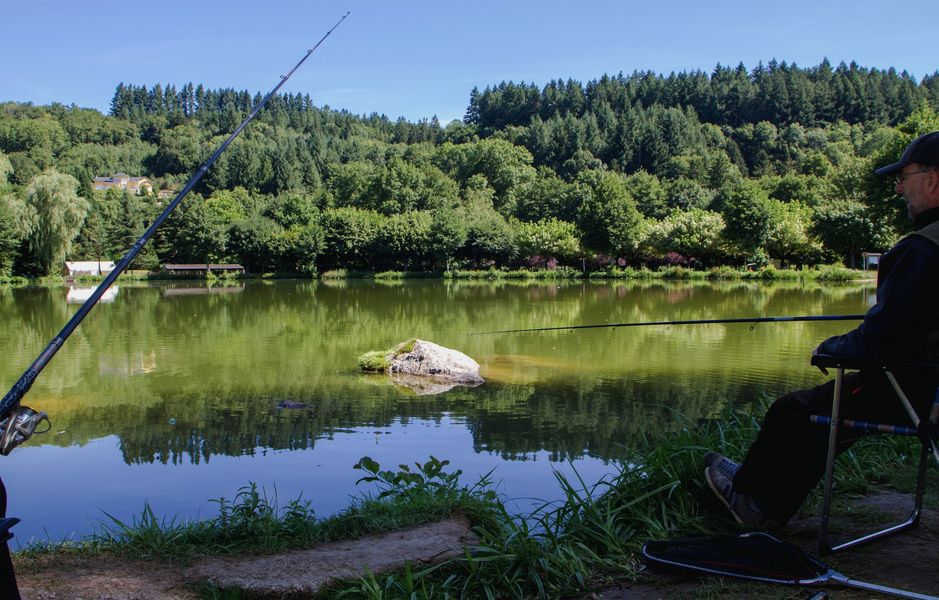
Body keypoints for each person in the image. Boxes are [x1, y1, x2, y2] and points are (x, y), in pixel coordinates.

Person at [705, 131, 939, 525]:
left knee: (795, 411)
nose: (898, 187)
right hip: (929, 385)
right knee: (823, 406)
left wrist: (831, 349)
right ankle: (750, 484)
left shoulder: (921, 251)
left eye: (905, 176)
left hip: (916, 392)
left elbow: (878, 343)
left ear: (933, 180)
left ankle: (753, 505)